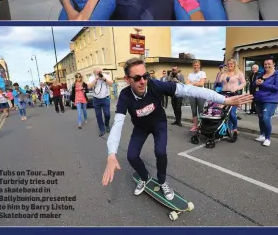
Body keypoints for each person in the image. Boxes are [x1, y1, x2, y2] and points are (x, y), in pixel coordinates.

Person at [102, 58, 251, 199]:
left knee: (160, 152)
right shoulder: (125, 95)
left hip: (158, 123)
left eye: (145, 76)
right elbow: (118, 124)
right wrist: (111, 153)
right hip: (140, 127)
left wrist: (224, 100)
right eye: (137, 78)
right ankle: (144, 177)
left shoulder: (154, 85)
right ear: (127, 79)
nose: (143, 81)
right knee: (131, 156)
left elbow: (190, 90)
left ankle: (162, 182)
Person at [254, 57, 278, 146]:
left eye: (269, 64)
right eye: (265, 64)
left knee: (266, 118)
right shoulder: (261, 74)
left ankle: (267, 138)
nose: (267, 66)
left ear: (273, 64)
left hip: (270, 100)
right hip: (259, 99)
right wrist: (256, 82)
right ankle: (262, 135)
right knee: (260, 118)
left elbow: (277, 88)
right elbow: (253, 84)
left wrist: (263, 84)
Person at [218, 58, 245, 141]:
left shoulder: (239, 73)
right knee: (226, 113)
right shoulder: (224, 73)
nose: (230, 65)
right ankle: (229, 129)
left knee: (232, 113)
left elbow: (244, 83)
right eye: (228, 64)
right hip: (224, 94)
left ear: (234, 64)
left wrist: (237, 87)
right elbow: (219, 81)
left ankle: (235, 128)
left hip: (233, 95)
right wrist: (221, 73)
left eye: (231, 64)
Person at [89, 68, 113, 137]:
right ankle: (102, 129)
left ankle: (107, 124)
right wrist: (96, 79)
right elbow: (90, 86)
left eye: (99, 72)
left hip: (105, 98)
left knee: (107, 114)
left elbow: (111, 84)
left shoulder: (105, 76)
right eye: (97, 72)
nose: (98, 73)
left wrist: (104, 79)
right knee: (98, 115)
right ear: (94, 73)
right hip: (96, 99)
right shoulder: (92, 77)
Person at [187, 60, 207, 133]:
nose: (196, 66)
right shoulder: (190, 74)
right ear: (193, 66)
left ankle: (201, 125)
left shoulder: (202, 73)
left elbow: (201, 84)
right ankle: (195, 126)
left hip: (200, 93)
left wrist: (193, 83)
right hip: (192, 94)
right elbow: (187, 83)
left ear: (199, 65)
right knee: (194, 110)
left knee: (201, 111)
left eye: (197, 65)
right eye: (194, 65)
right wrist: (196, 83)